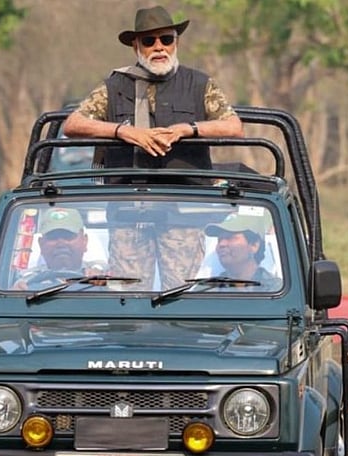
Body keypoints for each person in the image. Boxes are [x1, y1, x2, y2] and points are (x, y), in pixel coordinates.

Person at [61, 5, 244, 290]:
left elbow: (233, 126)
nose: (159, 47)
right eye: (149, 41)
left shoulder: (198, 84)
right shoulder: (114, 86)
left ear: (176, 42)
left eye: (166, 39)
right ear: (136, 46)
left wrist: (188, 129)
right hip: (128, 210)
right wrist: (124, 132)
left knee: (181, 294)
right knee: (128, 294)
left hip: (183, 209)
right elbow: (73, 124)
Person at [12, 207, 106, 290]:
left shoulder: (101, 277)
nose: (61, 244)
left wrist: (104, 281)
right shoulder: (26, 282)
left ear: (84, 241)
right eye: (53, 237)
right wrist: (16, 294)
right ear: (41, 244)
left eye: (68, 236)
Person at [204, 211, 282, 291]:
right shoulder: (207, 290)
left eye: (230, 237)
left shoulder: (277, 289)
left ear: (254, 245)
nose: (221, 244)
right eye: (219, 240)